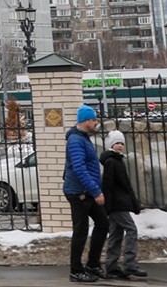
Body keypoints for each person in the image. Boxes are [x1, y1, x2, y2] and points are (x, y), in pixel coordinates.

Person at [62, 104, 109, 283]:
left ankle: (93, 264)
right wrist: (96, 191)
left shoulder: (83, 137)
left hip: (86, 191)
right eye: (93, 120)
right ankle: (76, 270)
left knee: (103, 224)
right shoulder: (76, 140)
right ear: (84, 121)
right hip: (79, 193)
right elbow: (79, 168)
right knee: (80, 231)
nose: (96, 123)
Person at [100, 131, 145, 280]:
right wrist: (109, 206)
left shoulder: (118, 160)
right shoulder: (111, 161)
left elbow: (124, 186)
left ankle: (111, 267)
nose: (120, 146)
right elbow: (108, 185)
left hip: (118, 204)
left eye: (121, 143)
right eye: (116, 143)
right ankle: (129, 264)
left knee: (116, 234)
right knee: (131, 230)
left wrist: (133, 202)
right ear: (111, 145)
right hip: (116, 205)